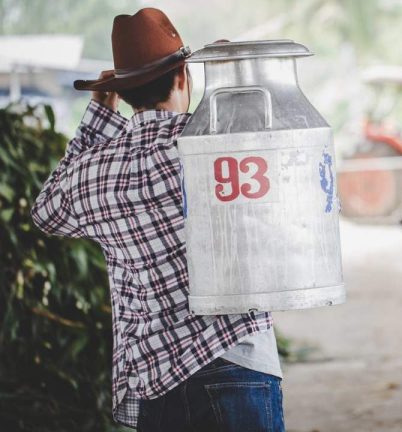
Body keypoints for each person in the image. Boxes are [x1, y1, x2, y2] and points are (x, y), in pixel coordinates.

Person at [31, 8, 284, 432]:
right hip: (237, 362)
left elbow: (46, 213)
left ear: (123, 94)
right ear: (184, 74)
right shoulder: (215, 146)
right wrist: (234, 78)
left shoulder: (93, 170)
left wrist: (98, 118)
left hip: (155, 384)